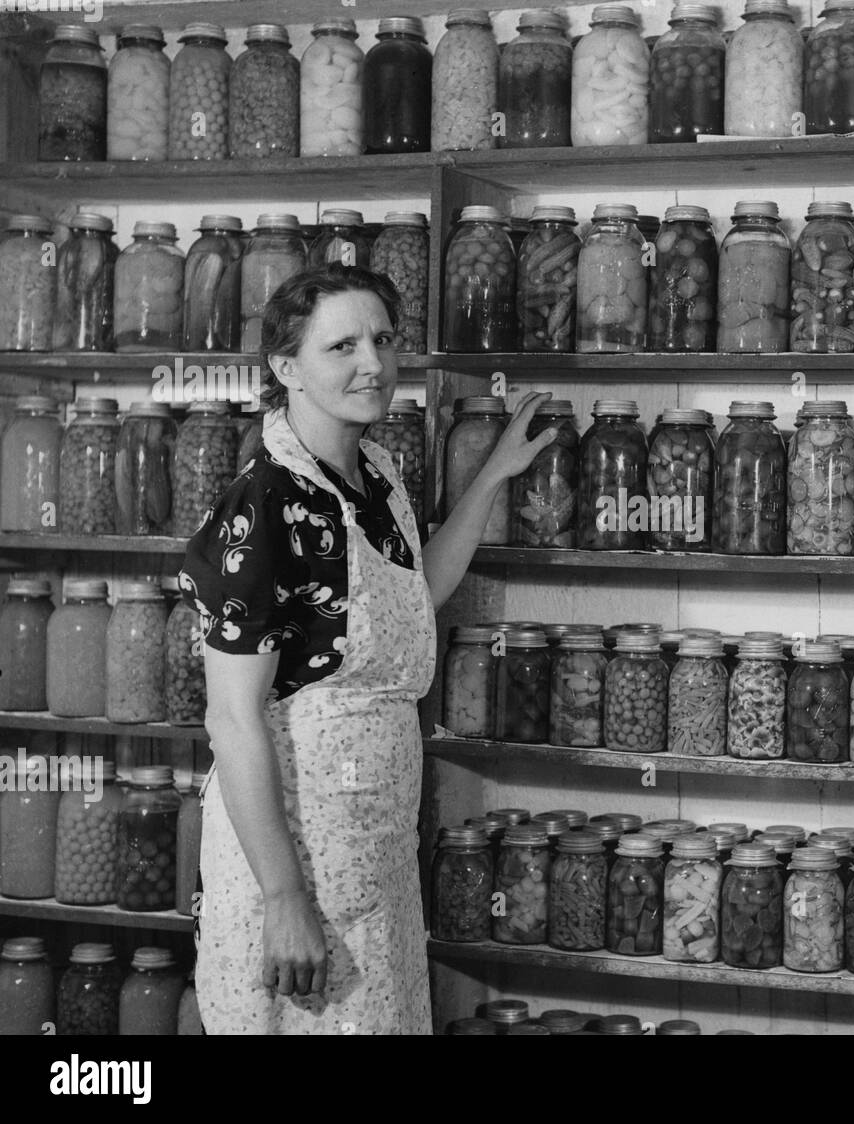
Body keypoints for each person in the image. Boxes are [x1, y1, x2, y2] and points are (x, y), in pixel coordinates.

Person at [179, 265, 554, 1033]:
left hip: (373, 842)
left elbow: (415, 595)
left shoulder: (375, 474)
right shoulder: (268, 501)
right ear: (287, 369)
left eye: (382, 340)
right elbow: (232, 720)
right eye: (342, 345)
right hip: (291, 843)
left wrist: (492, 478)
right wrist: (284, 898)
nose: (373, 365)